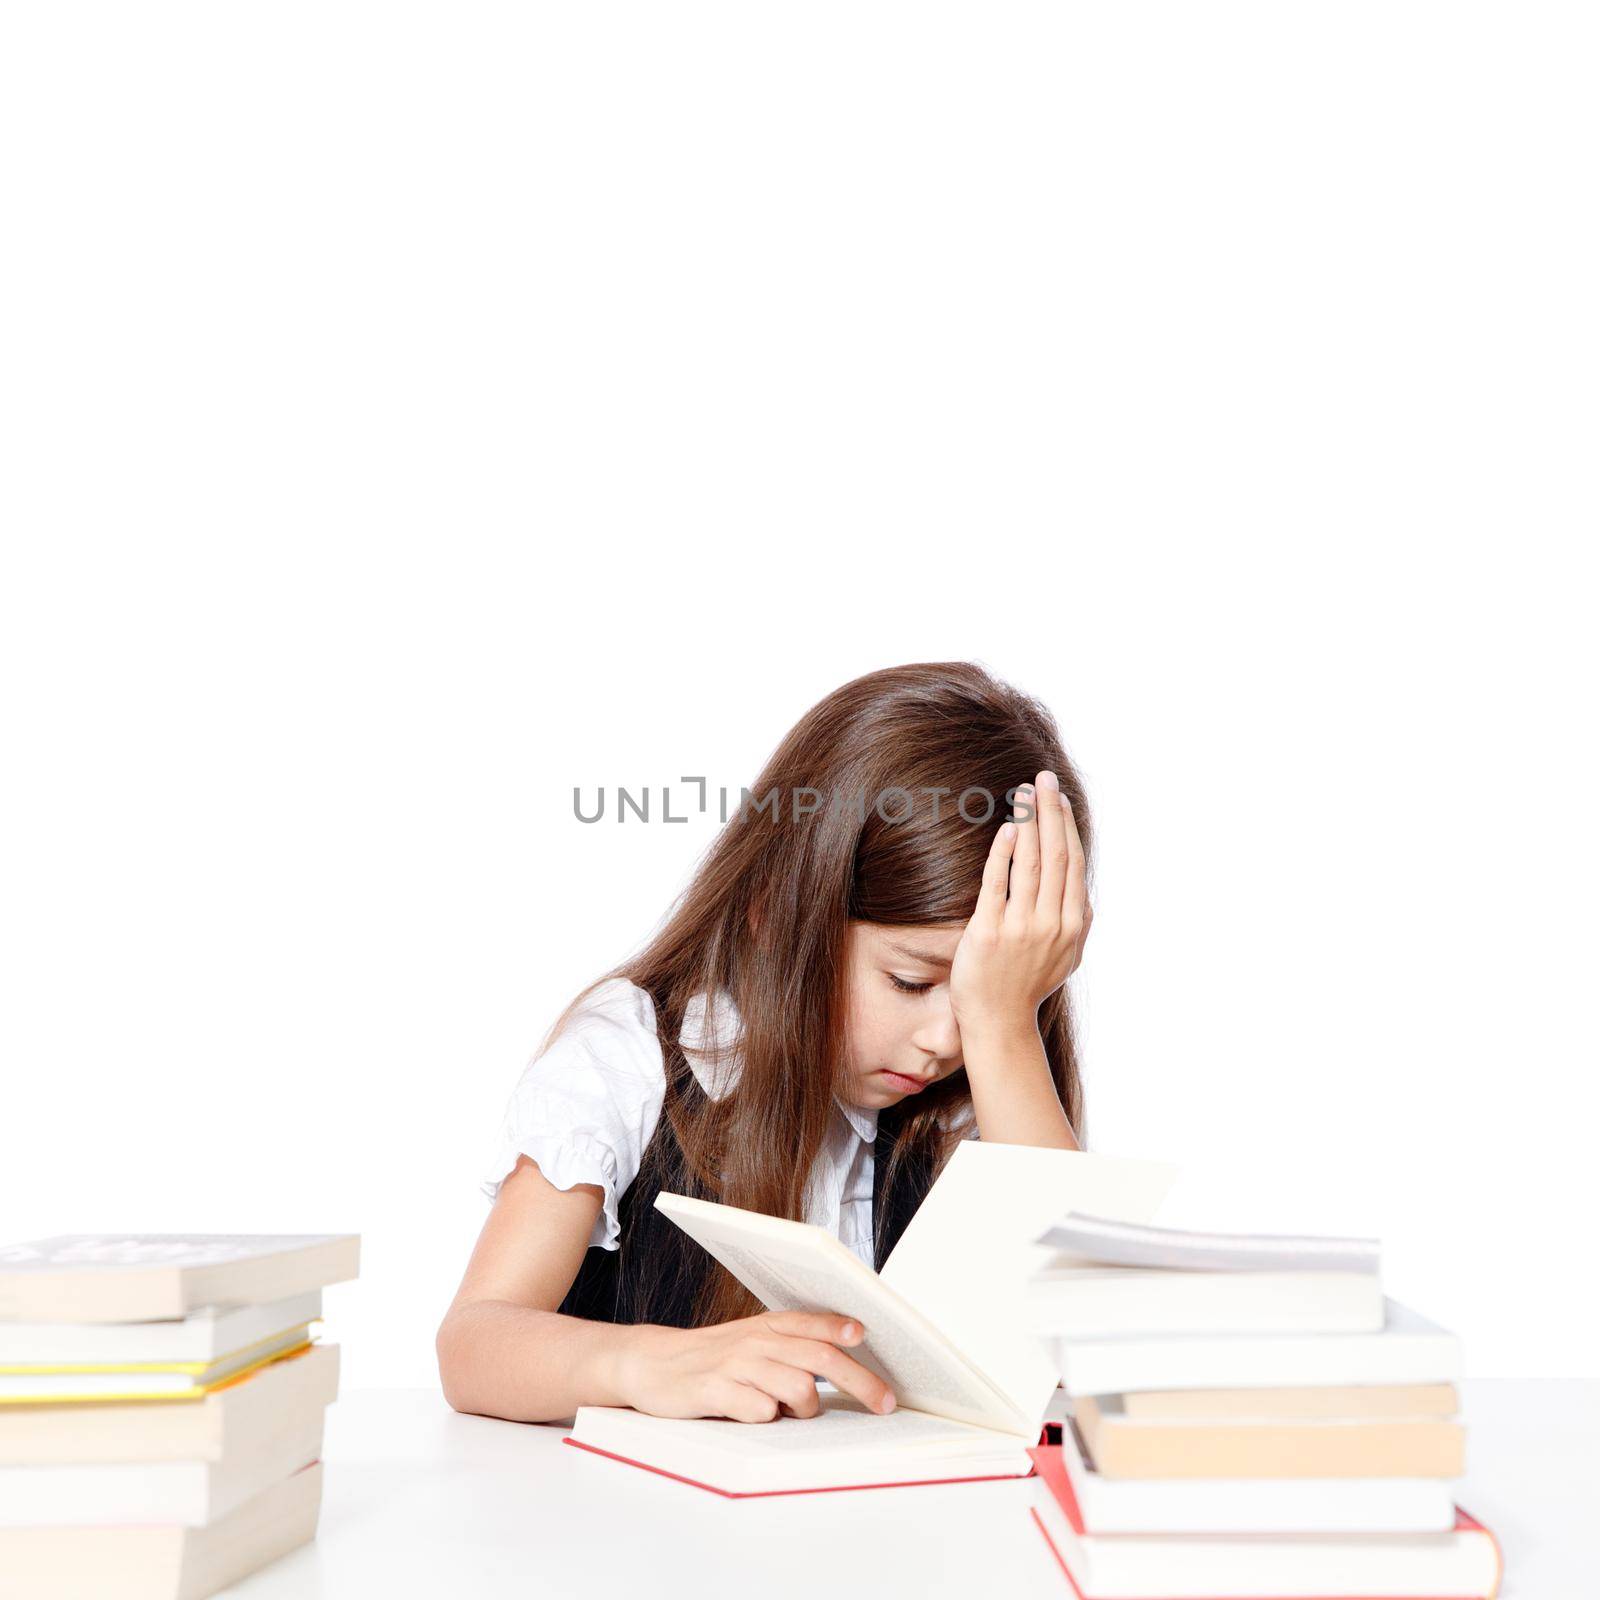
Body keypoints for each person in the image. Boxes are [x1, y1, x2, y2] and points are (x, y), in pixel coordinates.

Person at [436, 661, 1093, 1425]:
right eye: (913, 982)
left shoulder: (971, 1087)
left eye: (996, 994)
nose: (945, 1040)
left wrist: (1008, 1031)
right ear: (775, 919)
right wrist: (643, 1362)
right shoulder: (634, 1058)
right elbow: (473, 1344)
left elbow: (1065, 1344)